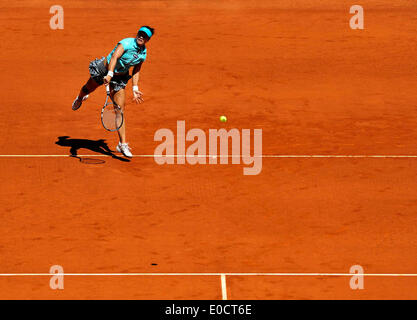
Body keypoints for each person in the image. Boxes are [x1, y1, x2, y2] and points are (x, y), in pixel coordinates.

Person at [71, 26, 155, 158]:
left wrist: (135, 88)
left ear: (148, 39)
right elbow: (115, 57)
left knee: (119, 109)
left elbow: (136, 70)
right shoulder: (126, 43)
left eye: (145, 36)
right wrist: (109, 74)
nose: (141, 37)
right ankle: (80, 98)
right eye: (140, 34)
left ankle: (122, 144)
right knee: (88, 88)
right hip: (104, 69)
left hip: (120, 77)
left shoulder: (143, 53)